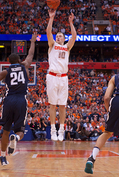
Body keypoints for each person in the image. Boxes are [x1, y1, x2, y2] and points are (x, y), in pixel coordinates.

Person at [0, 32, 37, 165]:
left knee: (5, 130)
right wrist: (32, 41)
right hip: (21, 100)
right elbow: (31, 55)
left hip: (9, 100)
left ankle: (3, 157)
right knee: (20, 129)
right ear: (19, 60)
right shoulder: (25, 66)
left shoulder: (6, 71)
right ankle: (15, 137)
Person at [46, 9, 77, 141]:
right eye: (57, 36)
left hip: (63, 77)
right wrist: (51, 18)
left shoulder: (66, 47)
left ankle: (61, 129)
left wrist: (71, 23)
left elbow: (74, 37)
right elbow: (48, 32)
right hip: (52, 76)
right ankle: (53, 130)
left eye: (60, 36)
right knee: (53, 105)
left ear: (64, 39)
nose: (58, 37)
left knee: (62, 105)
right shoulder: (52, 45)